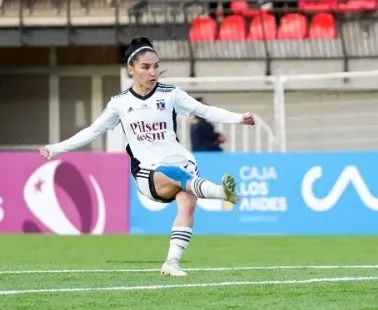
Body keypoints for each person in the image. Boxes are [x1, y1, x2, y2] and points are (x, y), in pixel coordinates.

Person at [39, 36, 255, 277]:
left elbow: (204, 111)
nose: (153, 72)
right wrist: (57, 148)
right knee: (173, 174)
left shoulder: (170, 93)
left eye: (156, 67)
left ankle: (171, 263)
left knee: (188, 204)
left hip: (181, 163)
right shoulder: (120, 103)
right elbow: (93, 131)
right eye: (145, 67)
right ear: (131, 70)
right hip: (148, 173)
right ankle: (222, 193)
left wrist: (238, 118)